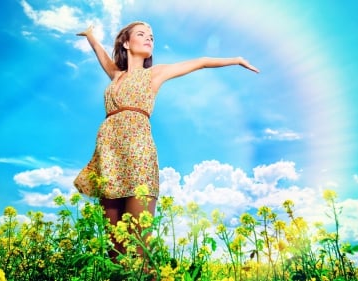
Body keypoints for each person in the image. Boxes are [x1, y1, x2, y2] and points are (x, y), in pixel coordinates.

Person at [74, 21, 258, 260]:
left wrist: (236, 59)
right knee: (113, 246)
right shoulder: (116, 76)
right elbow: (103, 57)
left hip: (139, 155)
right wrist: (90, 36)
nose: (149, 38)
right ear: (127, 43)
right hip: (108, 157)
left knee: (139, 241)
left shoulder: (155, 73)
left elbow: (200, 62)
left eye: (151, 36)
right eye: (141, 34)